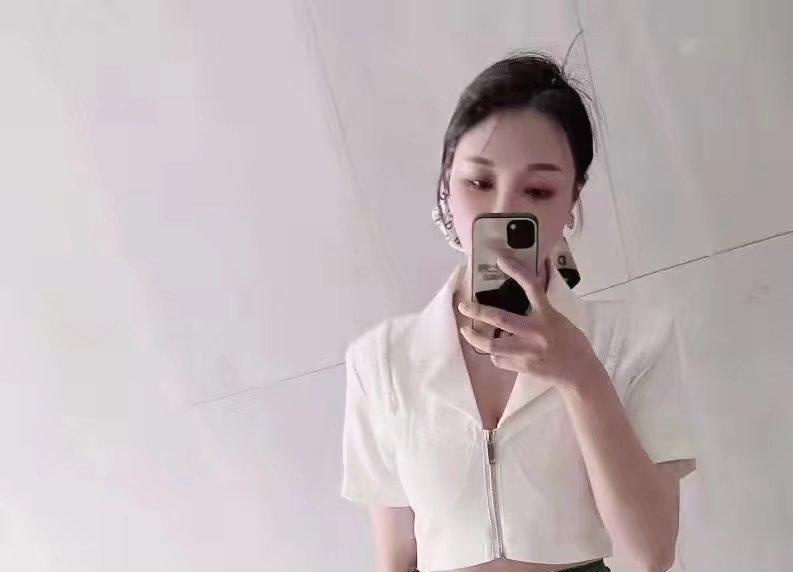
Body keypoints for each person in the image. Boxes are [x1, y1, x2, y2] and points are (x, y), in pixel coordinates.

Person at [340, 50, 697, 572]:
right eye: (479, 183)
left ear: (572, 199)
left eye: (538, 189)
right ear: (446, 186)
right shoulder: (381, 362)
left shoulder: (633, 341)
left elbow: (650, 555)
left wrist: (582, 376)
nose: (504, 208)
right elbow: (398, 557)